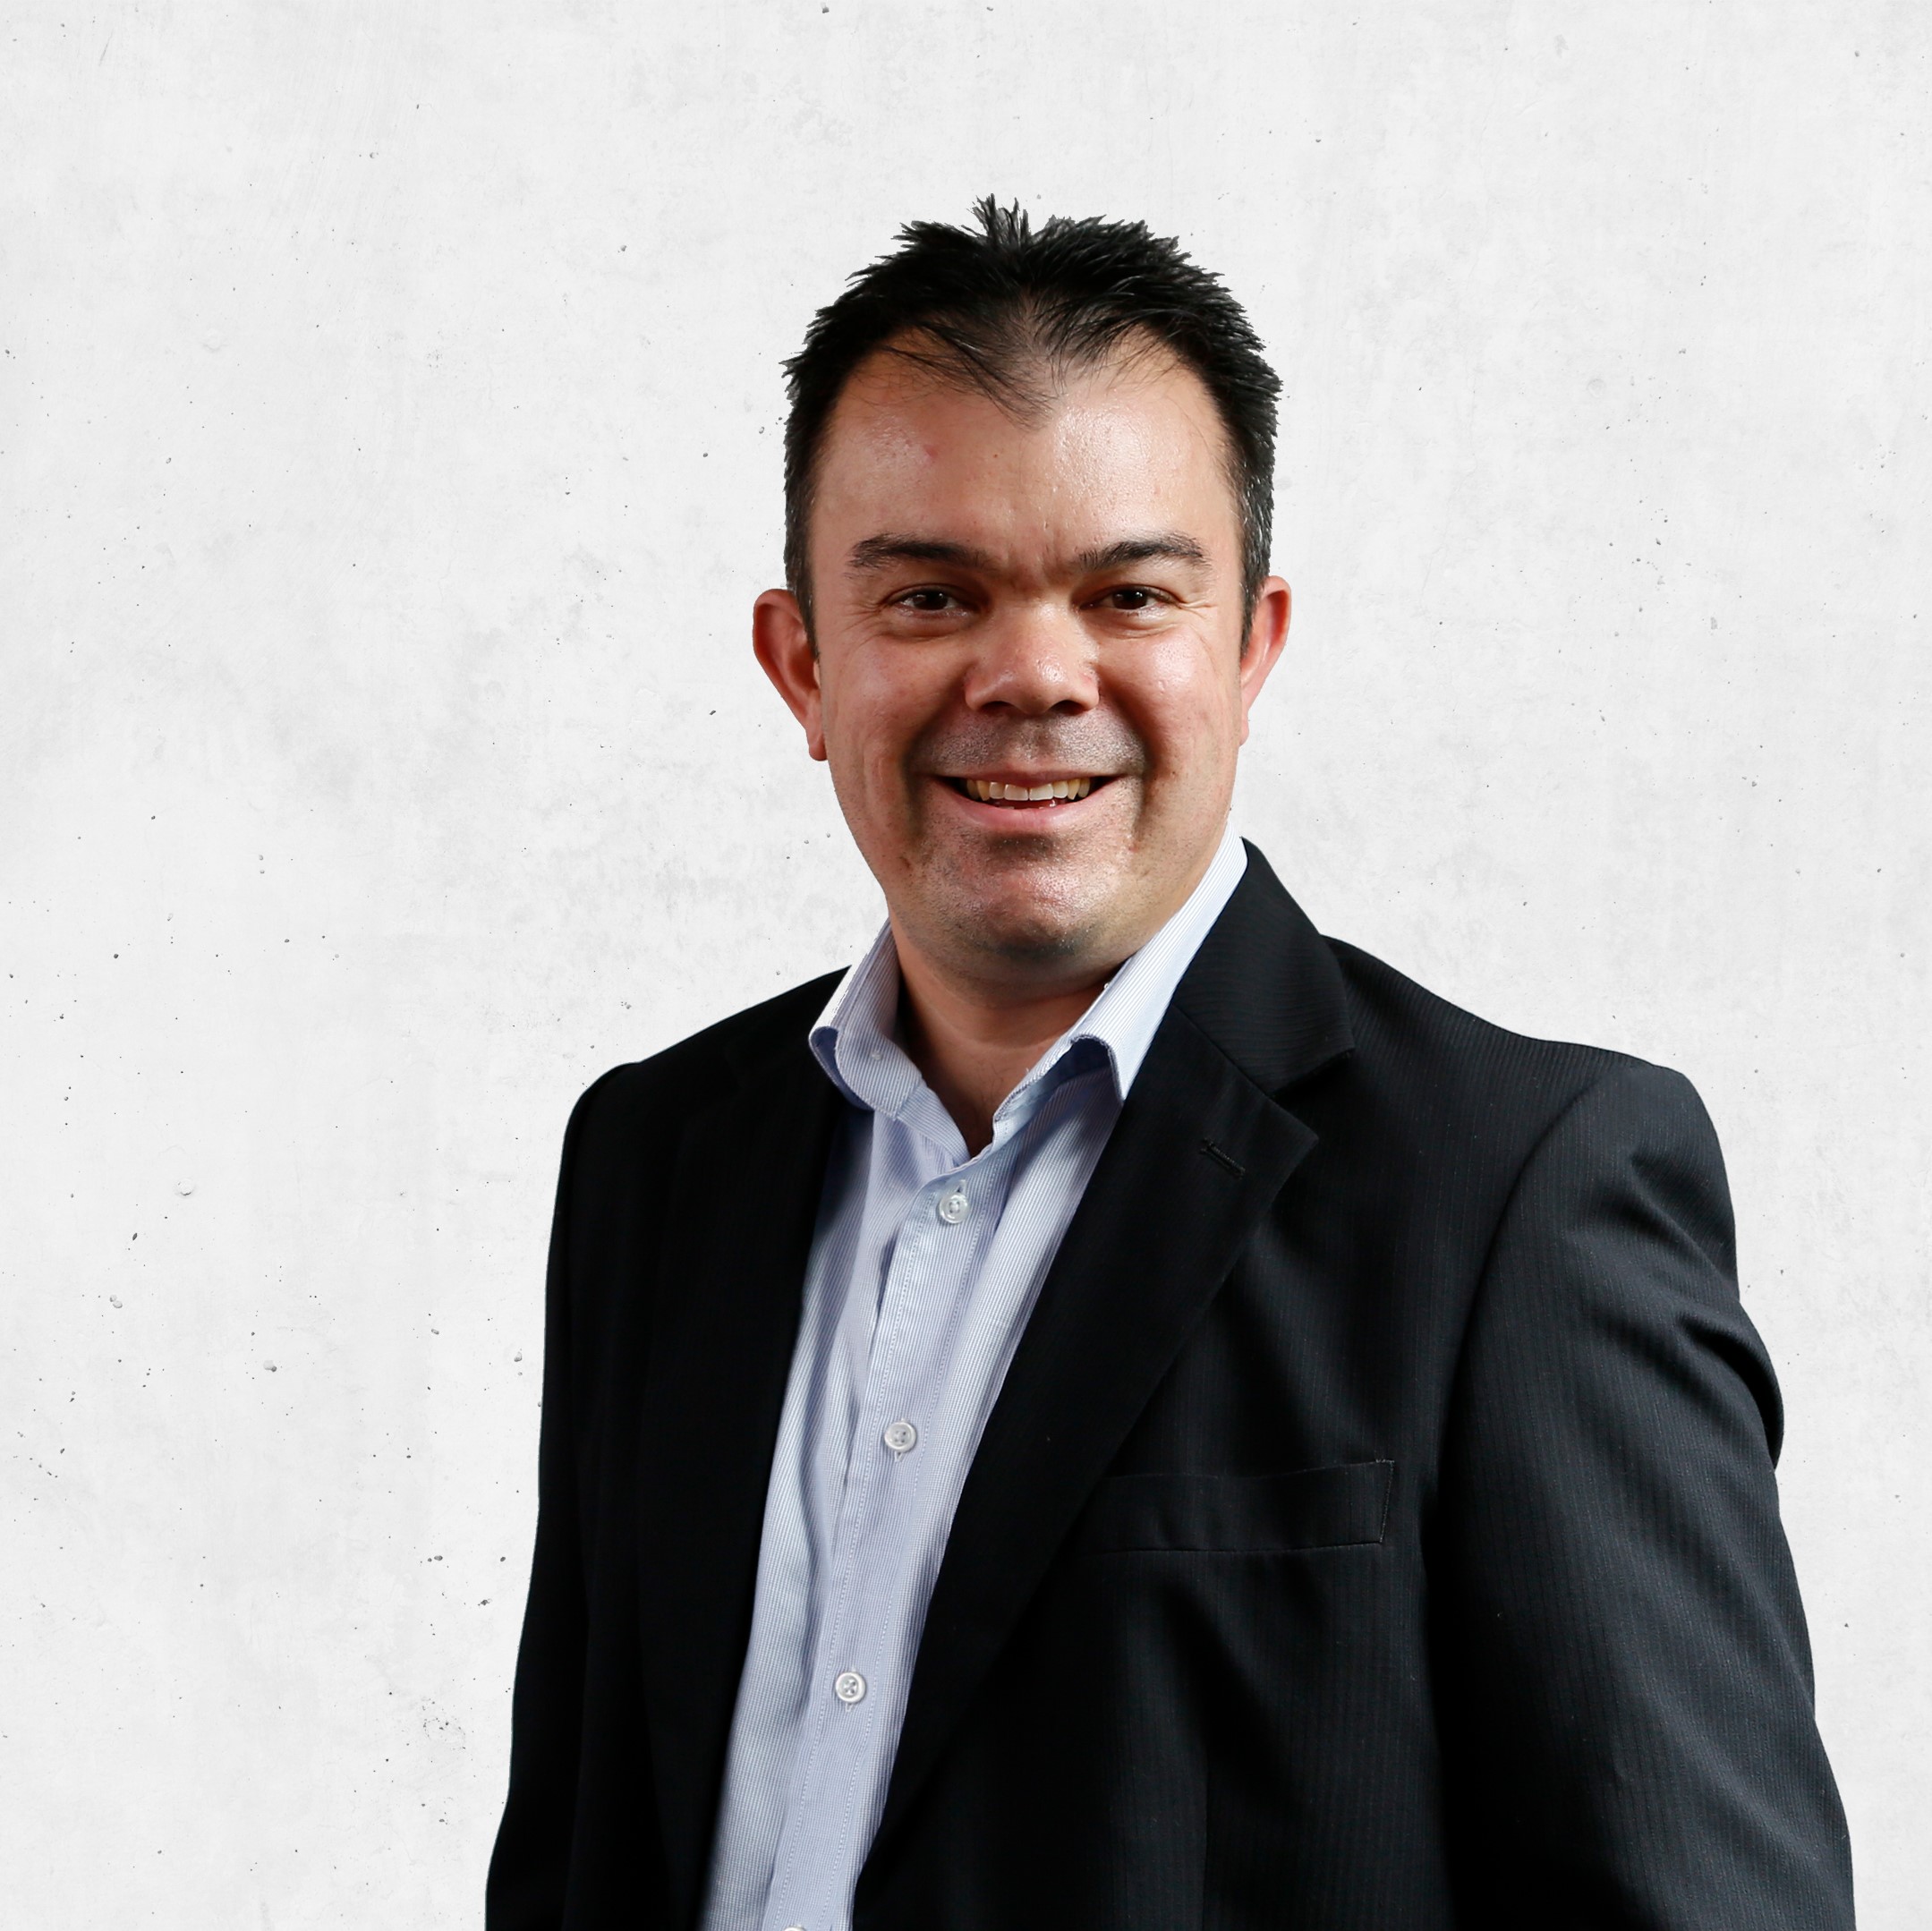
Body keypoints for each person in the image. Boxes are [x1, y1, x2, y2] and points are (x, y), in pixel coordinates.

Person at [485, 200, 1854, 1931]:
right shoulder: (657, 1158)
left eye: (1128, 594)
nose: (1033, 675)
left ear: (1250, 646)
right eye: (931, 595)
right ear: (804, 663)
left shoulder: (1520, 1192)